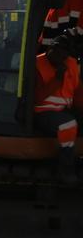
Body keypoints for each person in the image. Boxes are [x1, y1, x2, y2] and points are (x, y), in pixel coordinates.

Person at [34, 36, 80, 179]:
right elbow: (36, 98)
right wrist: (57, 79)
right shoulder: (37, 64)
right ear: (50, 48)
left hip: (64, 109)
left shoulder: (71, 64)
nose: (61, 57)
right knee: (68, 124)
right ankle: (66, 169)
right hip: (43, 113)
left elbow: (77, 90)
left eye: (65, 54)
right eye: (58, 52)